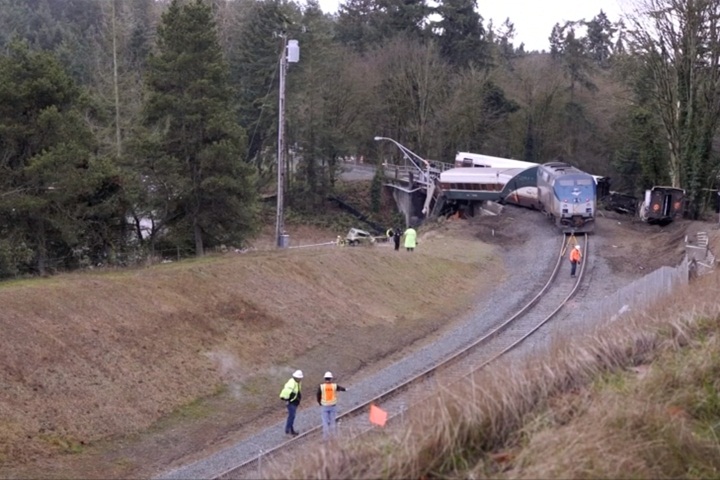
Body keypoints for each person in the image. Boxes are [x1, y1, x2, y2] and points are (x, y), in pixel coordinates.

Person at [316, 371, 347, 440]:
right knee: (332, 421)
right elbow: (341, 389)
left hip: (324, 406)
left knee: (325, 422)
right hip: (333, 406)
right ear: (331, 378)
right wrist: (346, 389)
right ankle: (334, 437)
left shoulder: (321, 387)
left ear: (325, 378)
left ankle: (326, 438)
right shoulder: (334, 386)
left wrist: (320, 403)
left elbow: (318, 396)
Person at [279, 369, 303, 436]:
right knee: (291, 416)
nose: (301, 379)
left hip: (294, 402)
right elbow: (287, 392)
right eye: (300, 378)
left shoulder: (297, 382)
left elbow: (297, 392)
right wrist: (287, 400)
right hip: (291, 402)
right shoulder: (292, 383)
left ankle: (290, 430)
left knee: (292, 416)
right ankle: (289, 430)